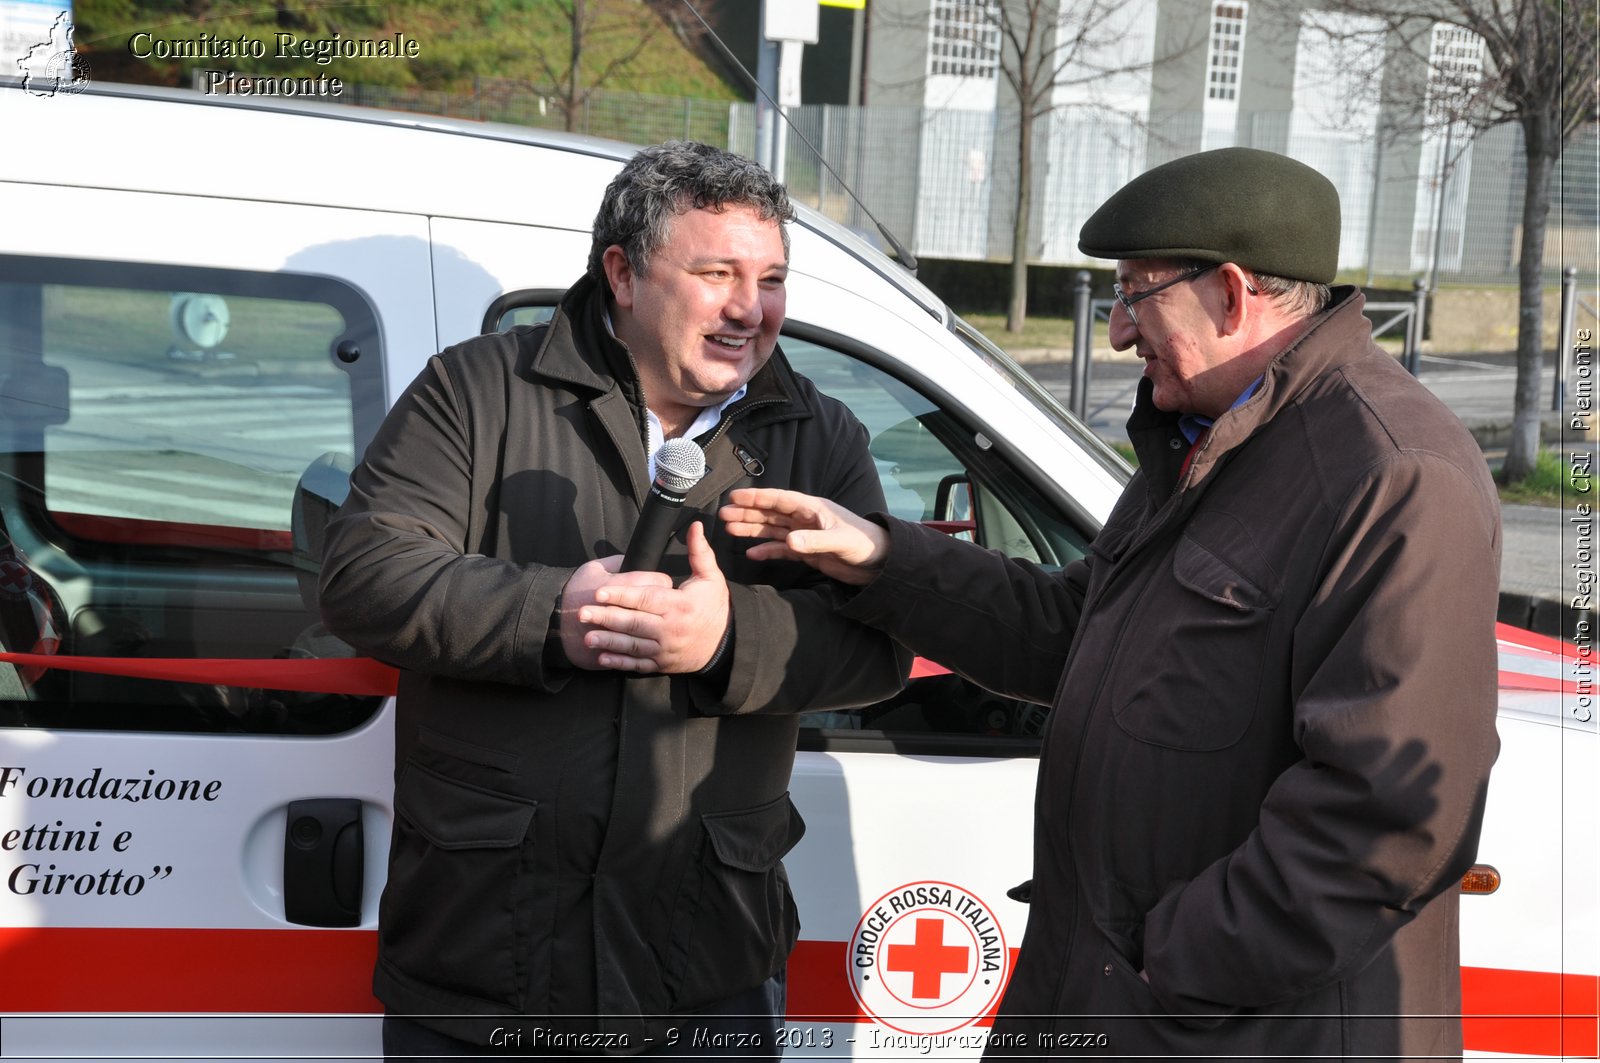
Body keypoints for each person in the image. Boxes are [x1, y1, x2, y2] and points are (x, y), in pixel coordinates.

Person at [720, 147, 1502, 1058]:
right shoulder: (1207, 438)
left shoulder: (1393, 473)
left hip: (1214, 1027)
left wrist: (1153, 971)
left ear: (1234, 292)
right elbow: (1071, 632)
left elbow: (1384, 821)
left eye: (1136, 295)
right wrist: (881, 558)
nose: (1122, 331)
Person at [318, 141, 907, 1059]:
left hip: (705, 973)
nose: (749, 309)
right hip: (486, 967)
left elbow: (877, 648)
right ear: (624, 274)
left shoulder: (819, 435)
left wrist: (725, 638)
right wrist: (551, 615)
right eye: (716, 273)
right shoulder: (478, 390)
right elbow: (365, 573)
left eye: (772, 278)